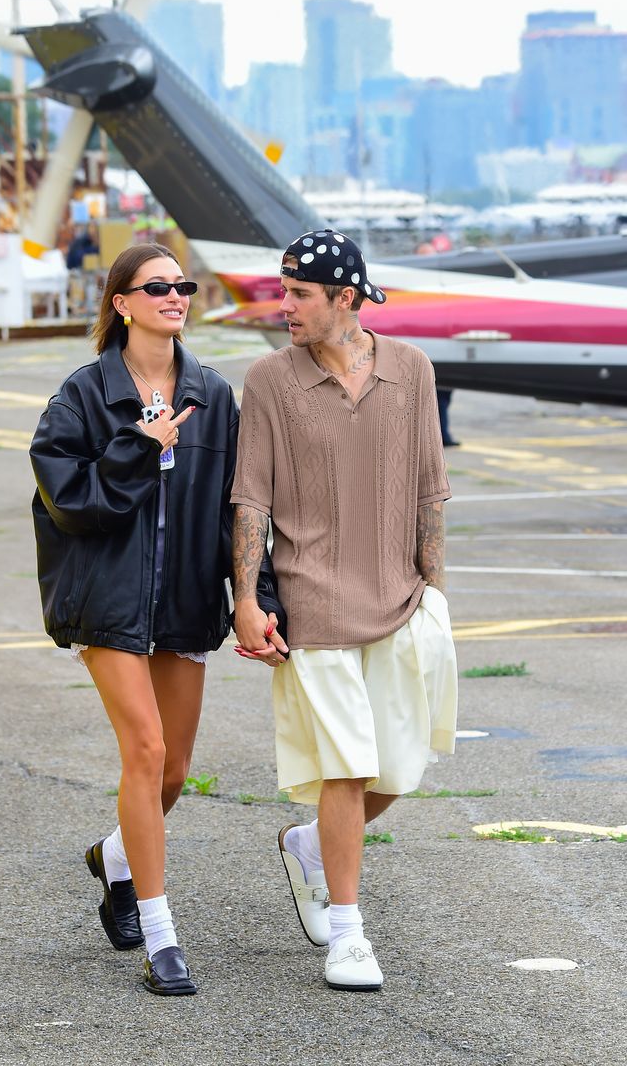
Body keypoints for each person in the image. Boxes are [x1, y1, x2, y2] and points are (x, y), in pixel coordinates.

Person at [231, 229, 458, 993]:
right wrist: (242, 600)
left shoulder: (412, 370)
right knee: (347, 768)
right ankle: (349, 934)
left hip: (400, 603)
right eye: (283, 291)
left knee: (398, 770)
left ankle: (308, 845)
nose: (283, 306)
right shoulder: (268, 379)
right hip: (312, 606)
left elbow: (430, 489)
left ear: (346, 299)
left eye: (298, 295)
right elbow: (249, 501)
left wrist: (432, 591)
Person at [30, 242, 247, 997]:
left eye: (182, 286)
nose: (175, 296)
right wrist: (137, 444)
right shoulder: (85, 395)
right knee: (146, 751)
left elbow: (235, 511)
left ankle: (115, 859)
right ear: (120, 302)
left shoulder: (215, 396)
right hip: (107, 603)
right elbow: (68, 502)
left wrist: (254, 598)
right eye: (156, 287)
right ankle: (162, 937)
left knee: (177, 769)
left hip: (184, 602)